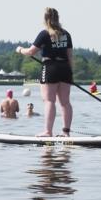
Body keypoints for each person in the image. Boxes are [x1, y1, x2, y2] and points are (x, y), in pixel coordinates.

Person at [15, 7, 73, 137]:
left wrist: (19, 50)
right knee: (65, 102)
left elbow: (30, 52)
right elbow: (70, 56)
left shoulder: (45, 33)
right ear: (58, 18)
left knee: (49, 101)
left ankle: (48, 132)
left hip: (50, 67)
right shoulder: (66, 34)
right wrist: (70, 74)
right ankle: (66, 133)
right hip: (65, 68)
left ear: (46, 19)